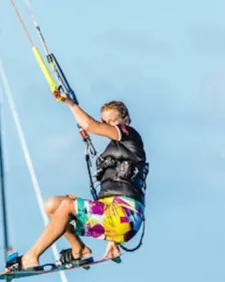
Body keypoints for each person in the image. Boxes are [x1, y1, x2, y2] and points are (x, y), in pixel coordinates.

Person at [8, 98, 147, 272]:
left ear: (125, 119)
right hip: (112, 213)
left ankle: (30, 257)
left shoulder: (130, 135)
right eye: (105, 122)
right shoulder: (114, 149)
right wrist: (113, 240)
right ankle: (79, 249)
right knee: (53, 205)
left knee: (67, 206)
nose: (108, 125)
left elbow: (90, 125)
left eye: (113, 121)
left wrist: (70, 104)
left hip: (126, 215)